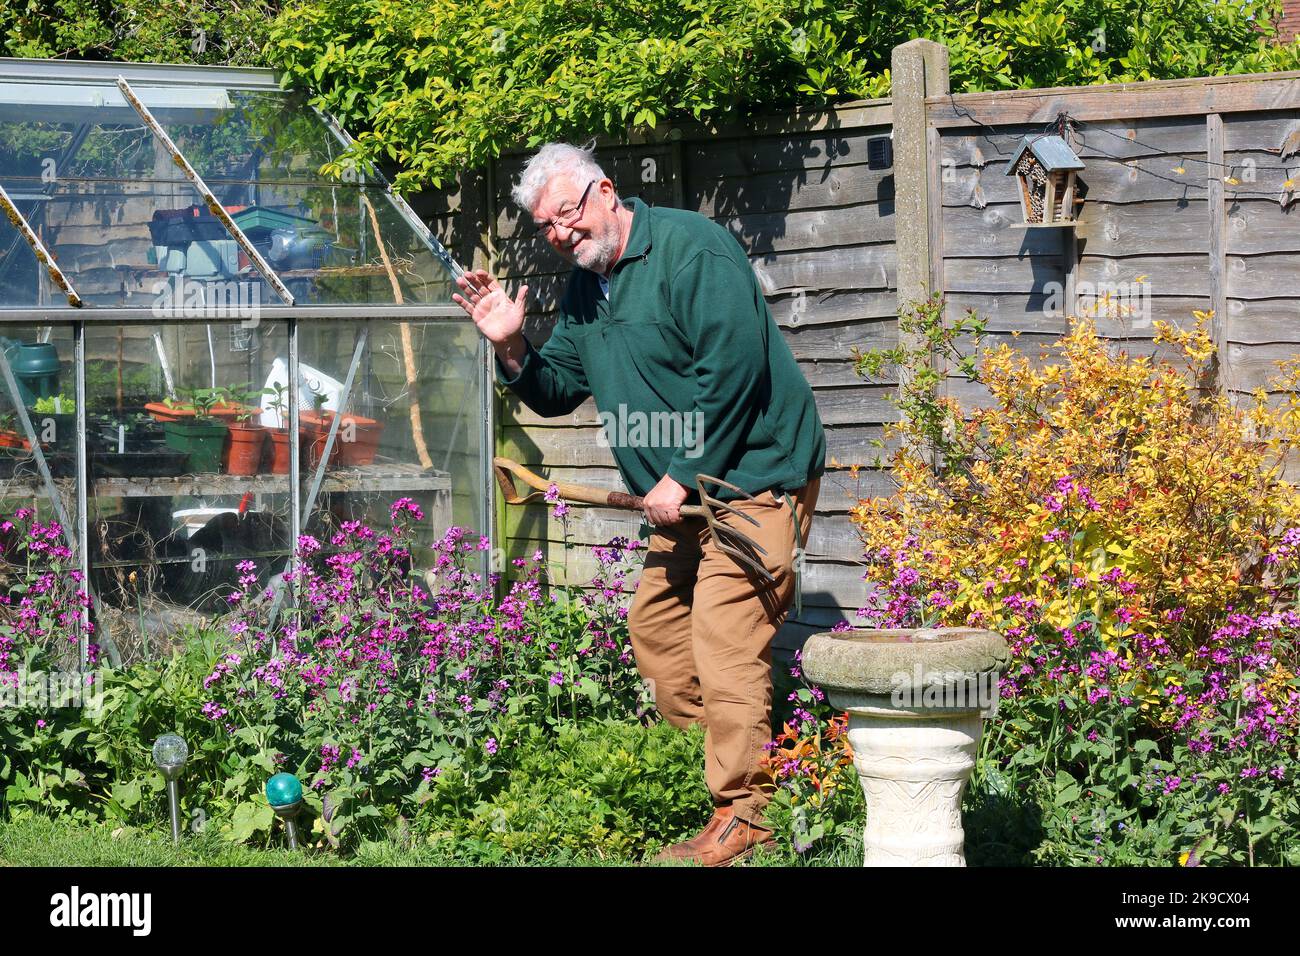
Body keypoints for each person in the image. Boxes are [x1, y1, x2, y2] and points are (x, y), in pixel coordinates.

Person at [452, 142, 825, 866]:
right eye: (546, 227)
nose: (561, 233)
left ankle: (747, 816)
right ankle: (716, 784)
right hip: (681, 502)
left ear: (606, 192)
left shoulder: (694, 251)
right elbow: (556, 387)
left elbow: (734, 373)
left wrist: (681, 475)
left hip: (751, 479)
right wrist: (511, 348)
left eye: (567, 214)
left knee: (723, 638)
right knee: (656, 636)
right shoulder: (590, 289)